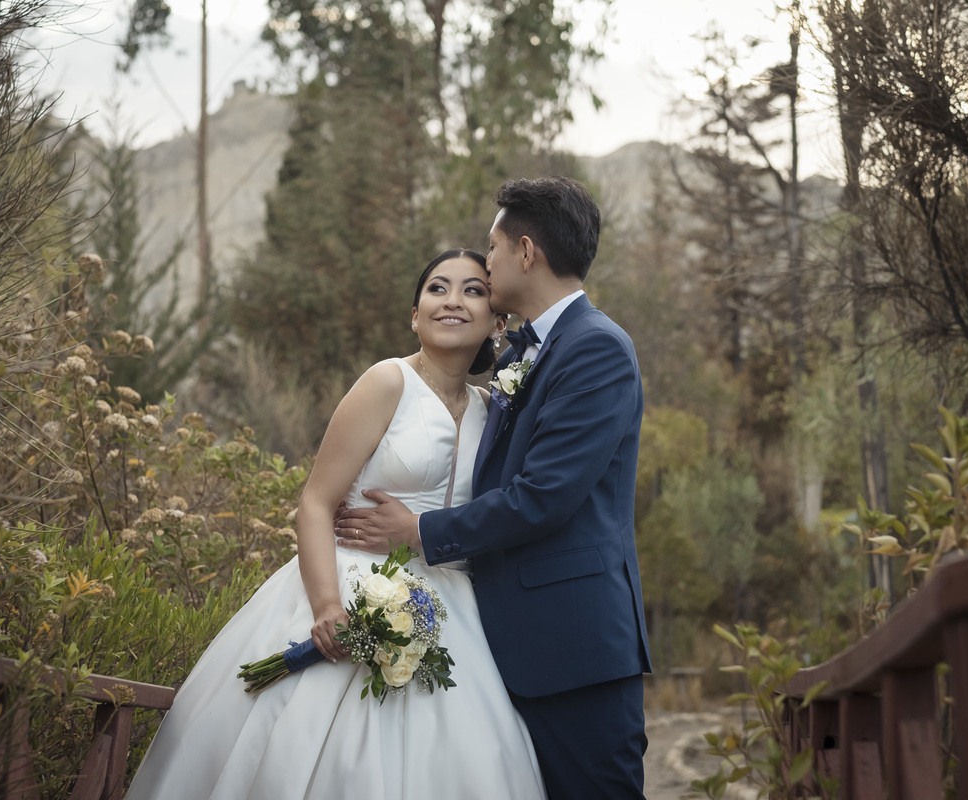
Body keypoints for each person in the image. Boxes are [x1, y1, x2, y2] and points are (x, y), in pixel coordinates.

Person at [123, 250, 547, 800]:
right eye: (437, 288)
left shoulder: (494, 410)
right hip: (351, 582)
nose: (452, 301)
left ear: (496, 322)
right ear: (414, 315)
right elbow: (316, 503)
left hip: (455, 611)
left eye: (473, 290)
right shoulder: (387, 382)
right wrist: (326, 606)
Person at [337, 177, 652, 799]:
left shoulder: (596, 348)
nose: (487, 263)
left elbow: (543, 496)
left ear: (526, 252)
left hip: (574, 645)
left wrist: (418, 530)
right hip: (501, 643)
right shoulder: (519, 357)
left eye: (493, 249)